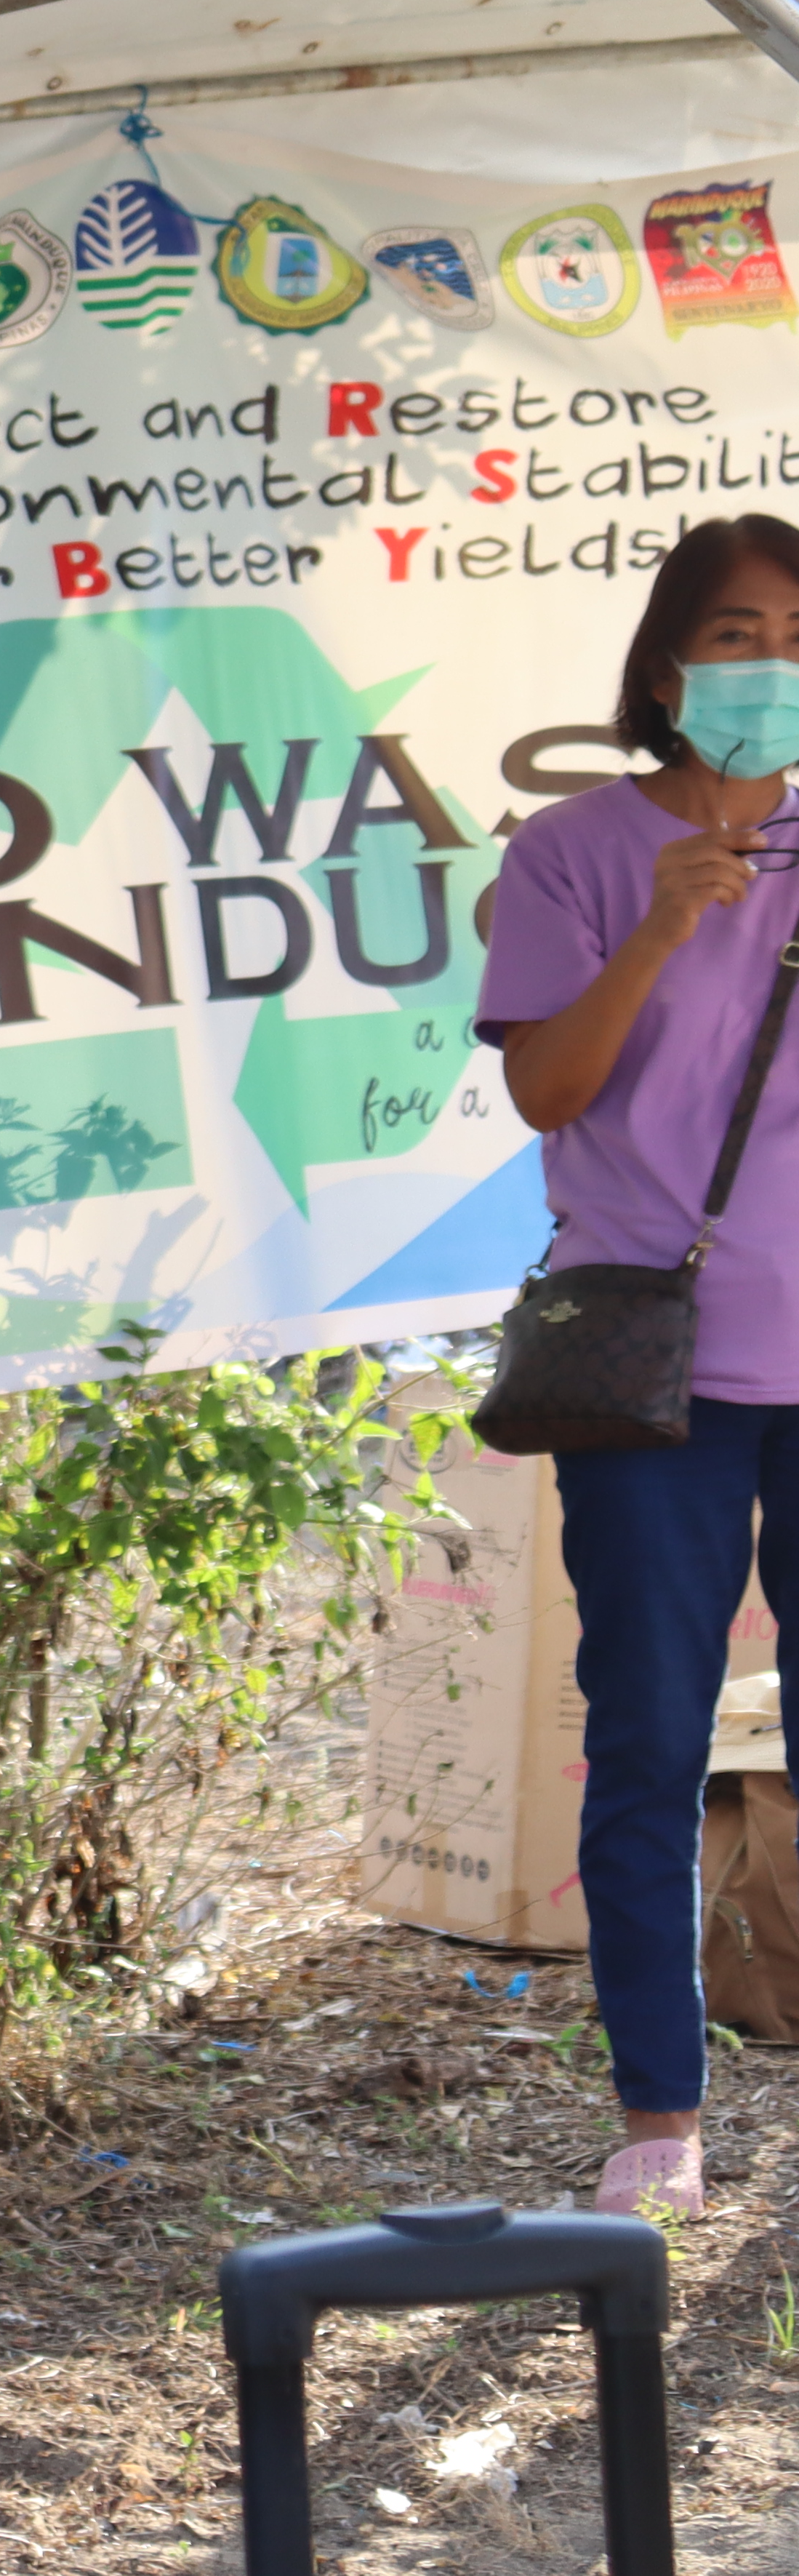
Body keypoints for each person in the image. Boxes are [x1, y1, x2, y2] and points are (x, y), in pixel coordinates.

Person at [478, 511, 799, 2223]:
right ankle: (661, 2108)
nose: (772, 670)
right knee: (652, 1737)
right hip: (654, 1377)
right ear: (671, 665)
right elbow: (545, 1092)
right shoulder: (576, 855)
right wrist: (665, 928)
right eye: (739, 636)